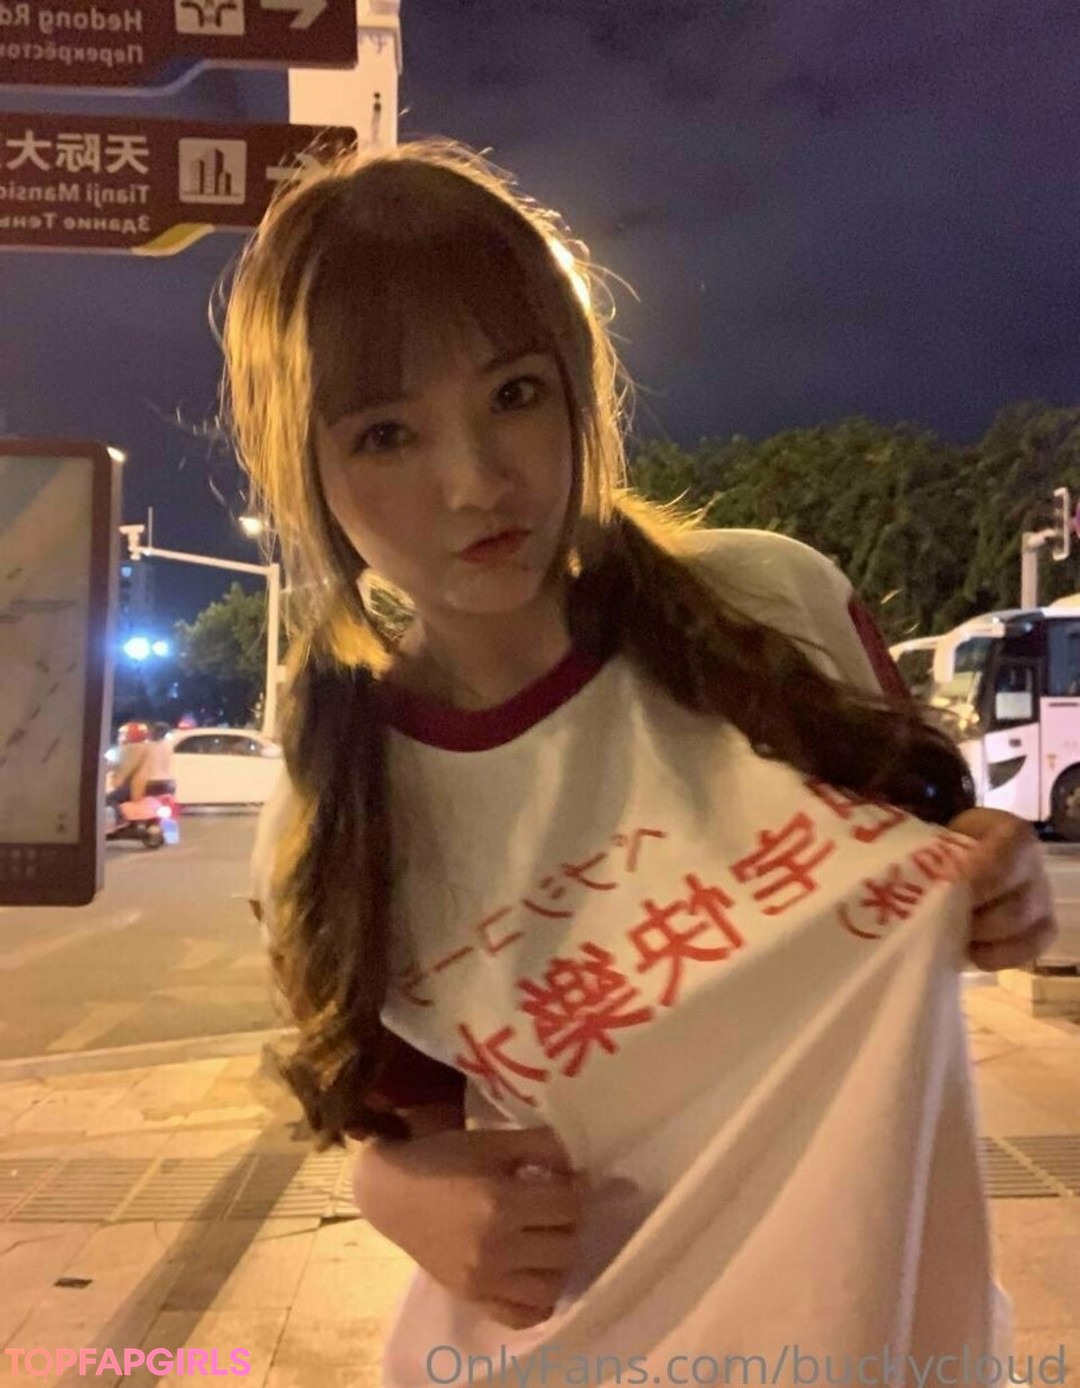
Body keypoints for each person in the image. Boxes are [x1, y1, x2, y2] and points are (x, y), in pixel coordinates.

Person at [228, 141, 1056, 1386]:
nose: (475, 481)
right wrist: (395, 1186)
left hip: (891, 1336)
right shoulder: (340, 803)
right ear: (309, 473)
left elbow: (951, 870)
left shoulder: (778, 609)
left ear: (579, 388)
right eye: (388, 433)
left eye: (514, 393)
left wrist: (1005, 880)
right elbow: (410, 1127)